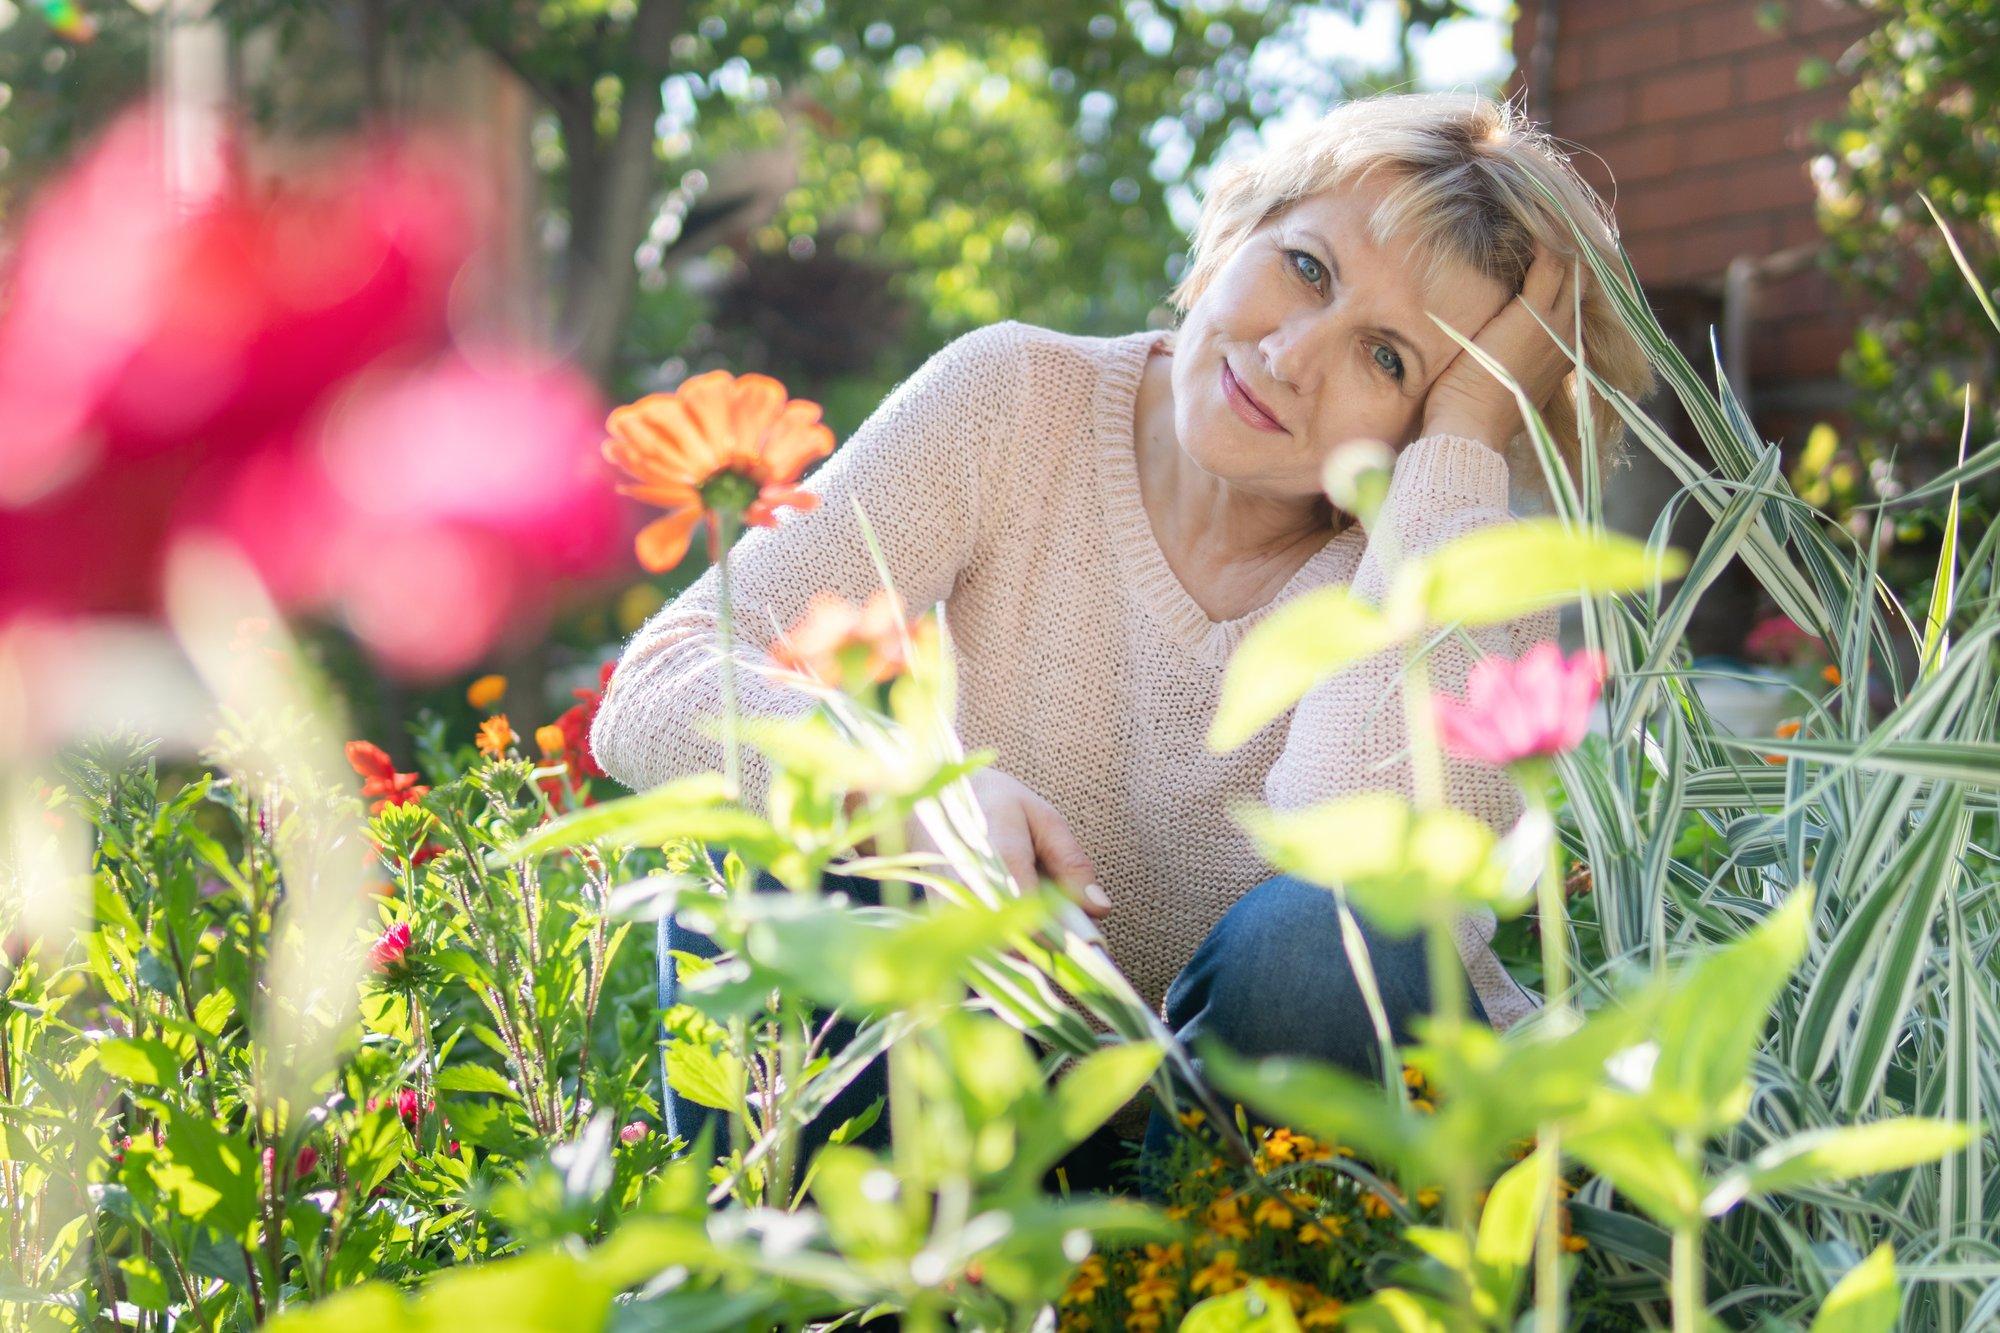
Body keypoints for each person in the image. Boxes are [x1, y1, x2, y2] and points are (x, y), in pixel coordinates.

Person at [589, 89, 1657, 1172]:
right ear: (1236, 229)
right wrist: (913, 792)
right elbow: (662, 684)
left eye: (1388, 360)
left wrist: (1468, 437)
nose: (1292, 354)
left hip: (1263, 1158)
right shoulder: (1014, 399)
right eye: (1304, 266)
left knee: (1332, 928)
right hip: (973, 1111)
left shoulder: (1451, 550)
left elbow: (1372, 892)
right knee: (803, 821)